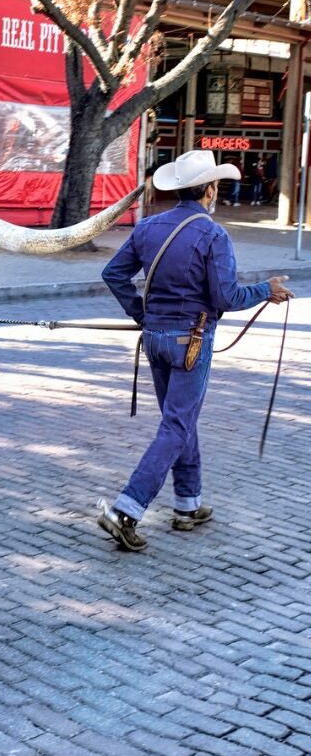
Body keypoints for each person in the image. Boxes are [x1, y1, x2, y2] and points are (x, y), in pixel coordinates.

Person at [97, 150, 294, 551]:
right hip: (191, 341)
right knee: (176, 425)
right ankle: (126, 509)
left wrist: (141, 313)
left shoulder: (148, 226)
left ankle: (188, 504)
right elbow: (226, 295)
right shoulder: (213, 234)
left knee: (179, 421)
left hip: (154, 339)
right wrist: (265, 290)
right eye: (216, 185)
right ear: (209, 189)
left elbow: (113, 273)